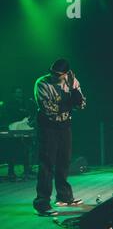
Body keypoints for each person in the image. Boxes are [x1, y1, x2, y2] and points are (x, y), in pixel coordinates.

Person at [32, 59, 86, 216]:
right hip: (48, 127)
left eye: (58, 75)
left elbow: (82, 104)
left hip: (64, 126)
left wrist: (72, 91)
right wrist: (70, 103)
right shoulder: (42, 83)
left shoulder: (72, 82)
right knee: (47, 163)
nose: (54, 76)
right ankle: (42, 204)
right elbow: (49, 110)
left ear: (67, 74)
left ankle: (64, 196)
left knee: (64, 160)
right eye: (52, 73)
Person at [3, 87, 36, 181]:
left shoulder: (25, 103)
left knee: (27, 150)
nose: (19, 94)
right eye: (17, 92)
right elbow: (11, 115)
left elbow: (28, 114)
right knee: (12, 151)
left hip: (24, 128)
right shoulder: (10, 104)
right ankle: (11, 172)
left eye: (20, 92)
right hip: (14, 128)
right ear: (13, 94)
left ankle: (27, 170)